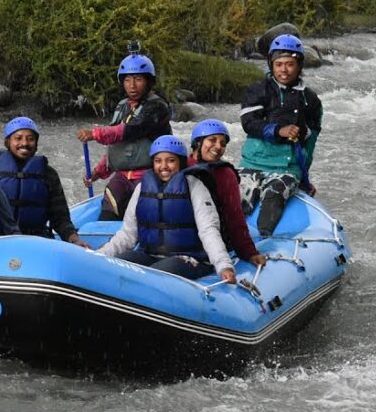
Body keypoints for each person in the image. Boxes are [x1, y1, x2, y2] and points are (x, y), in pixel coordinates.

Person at [97, 135, 237, 283]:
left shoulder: (195, 186)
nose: (163, 166)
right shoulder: (141, 188)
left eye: (170, 161)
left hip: (189, 258)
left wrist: (223, 265)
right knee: (118, 265)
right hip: (149, 254)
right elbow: (127, 234)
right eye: (158, 161)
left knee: (157, 274)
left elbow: (208, 231)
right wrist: (101, 254)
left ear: (181, 163)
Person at [237, 34, 323, 236]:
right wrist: (278, 130)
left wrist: (305, 179)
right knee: (239, 199)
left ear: (299, 65)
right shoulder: (258, 90)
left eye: (290, 64)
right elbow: (249, 123)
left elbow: (309, 144)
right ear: (271, 65)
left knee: (274, 194)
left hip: (287, 167)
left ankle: (264, 241)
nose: (283, 70)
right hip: (253, 162)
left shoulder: (310, 100)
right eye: (279, 64)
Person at [77, 52, 173, 220]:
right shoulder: (123, 106)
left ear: (148, 81)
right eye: (127, 80)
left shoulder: (157, 107)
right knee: (109, 207)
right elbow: (116, 146)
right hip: (122, 177)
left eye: (138, 79)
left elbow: (130, 130)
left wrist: (95, 133)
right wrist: (97, 173)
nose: (132, 86)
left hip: (149, 175)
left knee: (141, 214)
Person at [0, 117, 87, 246]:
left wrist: (74, 240)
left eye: (30, 138)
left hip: (35, 241)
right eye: (18, 138)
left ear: (36, 143)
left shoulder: (48, 174)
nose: (25, 143)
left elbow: (60, 218)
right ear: (8, 142)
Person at [188, 119, 267, 267]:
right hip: (180, 241)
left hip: (211, 244)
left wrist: (249, 252)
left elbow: (234, 217)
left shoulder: (225, 174)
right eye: (212, 140)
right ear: (198, 143)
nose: (218, 147)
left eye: (222, 143)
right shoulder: (179, 166)